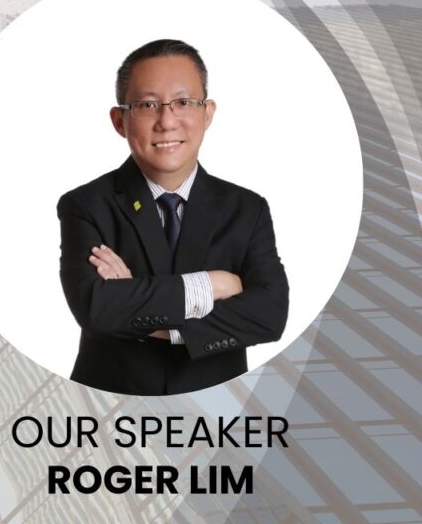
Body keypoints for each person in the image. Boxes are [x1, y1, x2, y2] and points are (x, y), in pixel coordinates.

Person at [57, 39, 289, 396]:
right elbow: (97, 310)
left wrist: (151, 321)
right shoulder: (86, 205)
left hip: (216, 413)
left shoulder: (246, 209)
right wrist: (215, 285)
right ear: (120, 120)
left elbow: (270, 315)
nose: (166, 122)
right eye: (147, 105)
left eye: (183, 103)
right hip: (111, 411)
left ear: (207, 113)